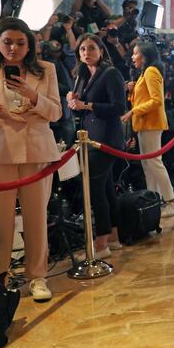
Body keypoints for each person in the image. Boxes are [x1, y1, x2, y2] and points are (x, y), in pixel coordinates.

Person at [0, 17, 62, 302]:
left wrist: (34, 97)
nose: (14, 48)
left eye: (20, 42)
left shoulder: (46, 70)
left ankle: (37, 276)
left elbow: (56, 112)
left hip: (36, 149)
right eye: (7, 42)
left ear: (30, 44)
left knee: (36, 217)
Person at [67, 34, 125, 258]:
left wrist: (88, 105)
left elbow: (118, 107)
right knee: (107, 187)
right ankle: (113, 236)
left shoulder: (110, 74)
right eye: (82, 49)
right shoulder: (82, 76)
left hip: (106, 139)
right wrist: (73, 102)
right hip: (90, 137)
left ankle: (101, 244)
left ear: (101, 51)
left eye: (91, 49)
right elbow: (79, 109)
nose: (86, 53)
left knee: (95, 189)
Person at [121, 41, 174, 217]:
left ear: (144, 55)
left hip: (151, 124)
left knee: (154, 162)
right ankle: (154, 199)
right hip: (145, 124)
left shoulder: (151, 71)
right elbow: (143, 98)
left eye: (135, 53)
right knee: (148, 164)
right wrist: (131, 91)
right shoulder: (145, 73)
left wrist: (133, 111)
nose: (132, 57)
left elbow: (156, 100)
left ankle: (169, 200)